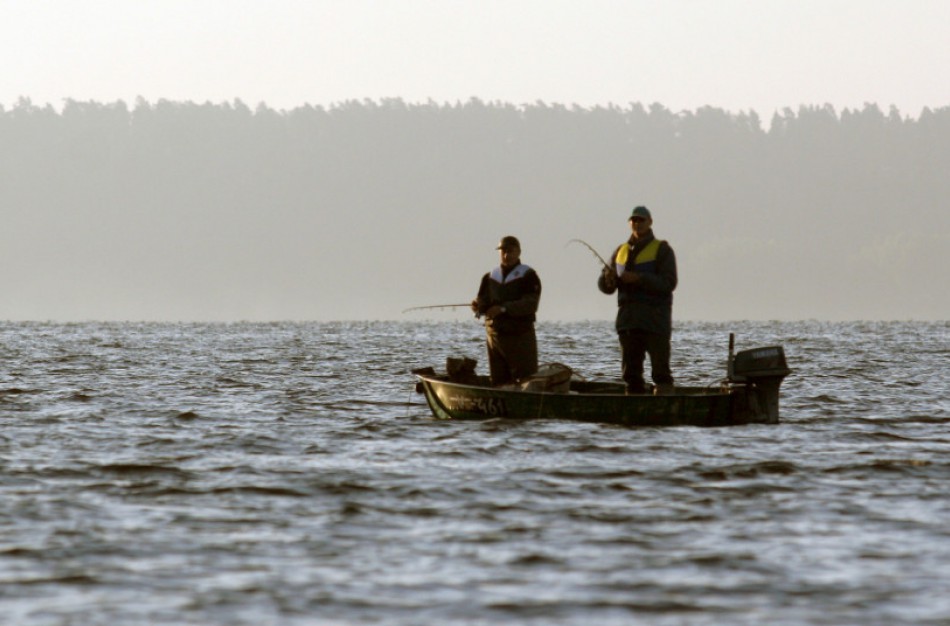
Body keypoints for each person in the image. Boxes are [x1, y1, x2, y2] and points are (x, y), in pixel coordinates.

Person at [598, 206, 678, 395]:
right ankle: (634, 403)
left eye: (641, 220)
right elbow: (604, 286)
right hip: (628, 323)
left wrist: (639, 278)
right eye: (634, 220)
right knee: (631, 374)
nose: (637, 223)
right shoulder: (620, 251)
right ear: (629, 223)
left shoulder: (662, 250)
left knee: (661, 372)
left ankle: (665, 403)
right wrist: (608, 280)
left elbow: (669, 283)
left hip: (655, 322)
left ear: (650, 222)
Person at [471, 236, 542, 386]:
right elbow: (483, 301)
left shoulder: (528, 275)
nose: (506, 255)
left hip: (520, 335)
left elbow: (531, 304)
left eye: (510, 251)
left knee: (526, 380)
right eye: (503, 251)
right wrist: (478, 306)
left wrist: (503, 308)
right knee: (498, 381)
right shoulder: (490, 276)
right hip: (494, 336)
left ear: (519, 252)